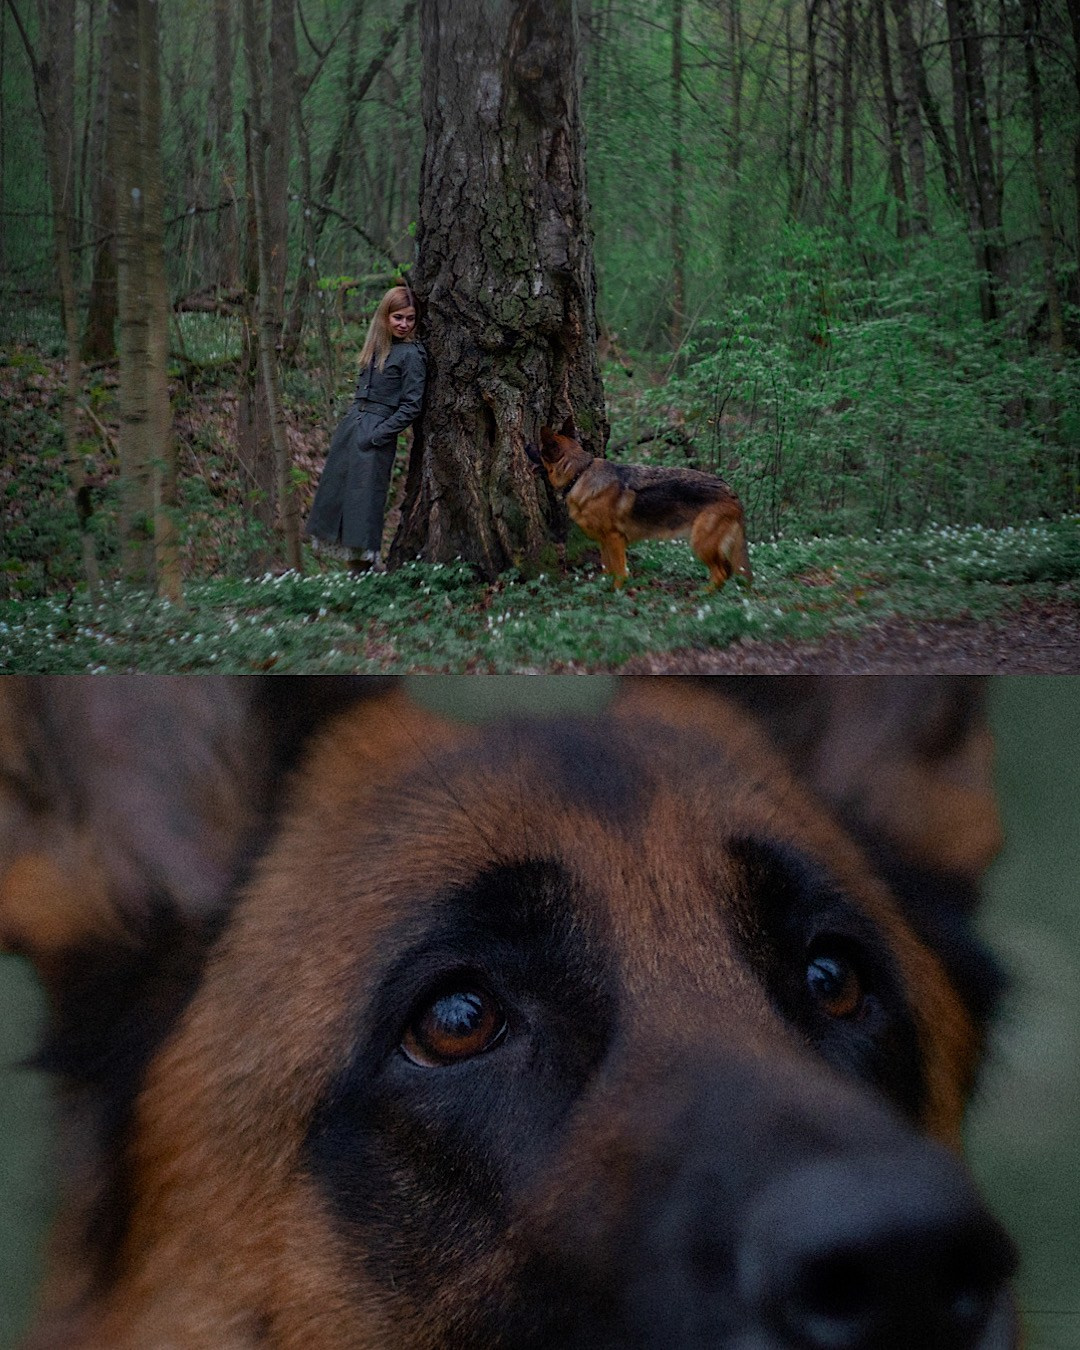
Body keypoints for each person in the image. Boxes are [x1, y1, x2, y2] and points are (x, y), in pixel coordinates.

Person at [306, 284, 427, 571]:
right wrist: (354, 430)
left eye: (410, 318)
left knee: (364, 503)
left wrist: (377, 435)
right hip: (351, 430)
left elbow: (412, 405)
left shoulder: (412, 355)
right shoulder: (376, 348)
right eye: (398, 317)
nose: (404, 324)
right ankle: (353, 574)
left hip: (375, 434)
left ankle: (364, 575)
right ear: (385, 316)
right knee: (338, 499)